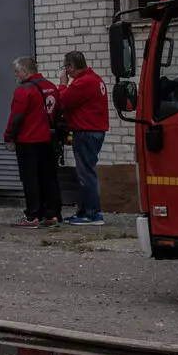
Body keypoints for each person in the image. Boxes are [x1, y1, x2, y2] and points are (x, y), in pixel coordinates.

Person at [5, 56, 63, 228]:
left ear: (24, 71)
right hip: (48, 139)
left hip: (28, 139)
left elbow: (16, 115)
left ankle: (33, 215)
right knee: (49, 177)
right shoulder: (51, 87)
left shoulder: (24, 90)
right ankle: (52, 213)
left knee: (30, 178)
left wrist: (9, 136)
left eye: (17, 72)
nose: (16, 76)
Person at [59, 50, 110, 226]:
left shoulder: (82, 83)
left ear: (71, 67)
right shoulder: (95, 79)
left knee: (86, 174)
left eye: (66, 66)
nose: (65, 70)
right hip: (95, 131)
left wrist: (63, 84)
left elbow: (63, 100)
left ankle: (92, 214)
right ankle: (84, 211)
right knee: (86, 172)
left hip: (86, 131)